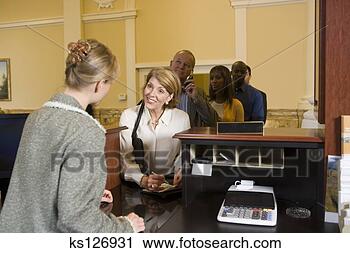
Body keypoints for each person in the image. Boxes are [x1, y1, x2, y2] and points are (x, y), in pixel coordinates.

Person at [0, 39, 144, 233]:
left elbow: (40, 181)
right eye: (110, 82)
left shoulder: (36, 117)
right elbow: (76, 219)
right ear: (99, 84)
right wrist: (125, 227)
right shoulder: (86, 129)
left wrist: (88, 193)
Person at [120, 67, 190, 191]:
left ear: (170, 97)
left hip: (170, 185)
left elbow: (183, 153)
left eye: (160, 91)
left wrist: (181, 170)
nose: (151, 94)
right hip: (136, 186)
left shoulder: (182, 118)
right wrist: (142, 179)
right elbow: (125, 158)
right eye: (149, 86)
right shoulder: (128, 116)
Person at [170, 50, 218, 127]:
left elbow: (213, 122)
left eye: (187, 65)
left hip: (189, 138)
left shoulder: (198, 92)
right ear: (171, 64)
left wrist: (197, 98)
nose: (182, 66)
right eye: (178, 62)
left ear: (191, 71)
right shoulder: (159, 90)